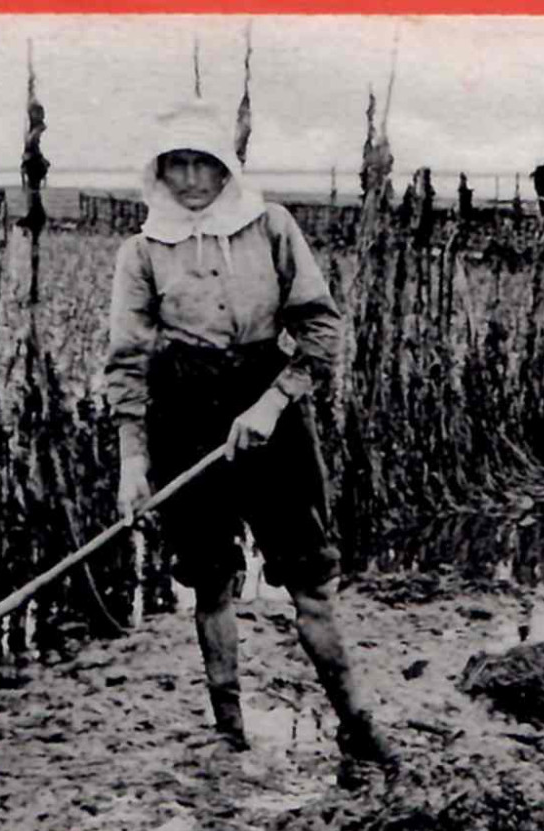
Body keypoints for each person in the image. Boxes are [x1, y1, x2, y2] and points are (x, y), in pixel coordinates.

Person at [104, 101, 395, 771]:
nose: (188, 178)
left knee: (309, 580)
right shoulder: (142, 250)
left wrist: (272, 403)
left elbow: (321, 329)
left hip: (272, 411)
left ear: (223, 166)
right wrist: (132, 457)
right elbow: (126, 359)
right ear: (158, 172)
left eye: (200, 162)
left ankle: (355, 723)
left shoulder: (271, 227)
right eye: (173, 164)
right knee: (209, 582)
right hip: (184, 414)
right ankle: (228, 730)